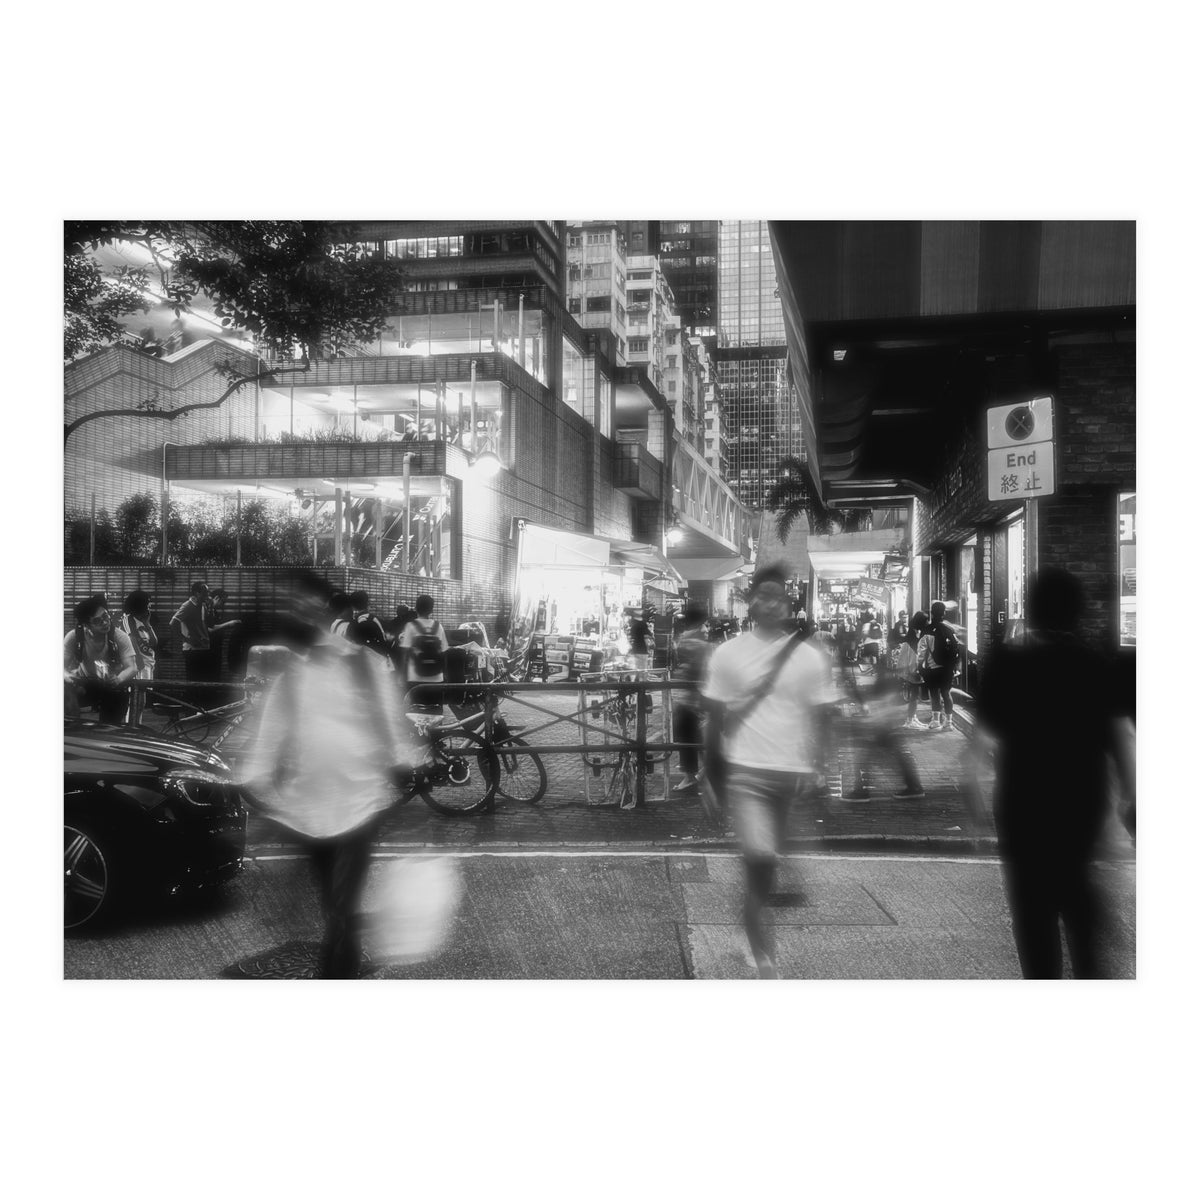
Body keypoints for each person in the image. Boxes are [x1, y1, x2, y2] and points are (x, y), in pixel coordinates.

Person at [240, 571, 416, 979]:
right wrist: (256, 780)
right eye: (288, 604)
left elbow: (388, 719)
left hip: (361, 801)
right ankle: (352, 942)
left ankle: (337, 970)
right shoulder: (292, 674)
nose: (294, 612)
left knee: (340, 908)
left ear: (322, 608)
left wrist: (404, 761)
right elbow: (273, 731)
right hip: (308, 808)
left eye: (303, 603)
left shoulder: (361, 663)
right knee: (332, 905)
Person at [975, 567, 1135, 979]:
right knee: (1074, 883)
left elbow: (981, 741)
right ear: (1078, 610)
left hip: (1021, 802)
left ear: (1030, 608)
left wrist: (971, 794)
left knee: (1031, 910)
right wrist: (1131, 798)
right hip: (1080, 800)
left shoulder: (1007, 662)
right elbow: (1122, 737)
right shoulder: (1096, 662)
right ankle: (1091, 971)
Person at [701, 564, 838, 979]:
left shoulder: (811, 658)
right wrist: (710, 775)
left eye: (778, 596)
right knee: (761, 860)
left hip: (791, 777)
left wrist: (822, 768)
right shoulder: (727, 654)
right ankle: (766, 964)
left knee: (768, 869)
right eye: (762, 595)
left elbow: (825, 716)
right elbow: (713, 717)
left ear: (788, 604)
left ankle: (756, 912)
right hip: (746, 775)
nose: (770, 602)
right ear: (750, 602)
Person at [64, 594, 138, 723]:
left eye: (106, 617)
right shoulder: (74, 636)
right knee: (65, 689)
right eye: (97, 621)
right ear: (86, 624)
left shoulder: (119, 636)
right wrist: (67, 676)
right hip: (84, 685)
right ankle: (73, 728)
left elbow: (132, 667)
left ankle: (110, 732)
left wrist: (119, 678)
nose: (105, 623)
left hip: (111, 685)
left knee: (116, 700)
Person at [670, 604, 712, 795]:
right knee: (695, 737)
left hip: (689, 698)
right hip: (696, 698)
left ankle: (694, 776)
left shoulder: (685, 640)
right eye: (705, 625)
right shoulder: (700, 644)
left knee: (689, 737)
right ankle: (699, 774)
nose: (707, 629)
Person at [399, 593, 450, 711]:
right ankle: (436, 729)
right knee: (435, 711)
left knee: (415, 712)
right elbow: (444, 653)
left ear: (416, 608)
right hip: (436, 678)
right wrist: (445, 675)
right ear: (431, 609)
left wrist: (401, 675)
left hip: (415, 679)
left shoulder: (410, 626)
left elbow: (404, 654)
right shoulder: (438, 626)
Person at [917, 600, 959, 732]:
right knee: (946, 693)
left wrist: (919, 666)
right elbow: (956, 649)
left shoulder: (926, 630)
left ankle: (936, 721)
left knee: (934, 693)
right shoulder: (949, 630)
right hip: (947, 668)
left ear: (932, 613)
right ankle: (949, 723)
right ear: (944, 613)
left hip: (932, 667)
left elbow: (921, 652)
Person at [117, 590, 158, 726]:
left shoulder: (142, 621)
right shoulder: (128, 620)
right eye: (147, 602)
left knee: (141, 701)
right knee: (135, 699)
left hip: (148, 664)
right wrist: (137, 666)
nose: (150, 605)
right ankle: (132, 727)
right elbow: (131, 641)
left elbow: (153, 642)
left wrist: (147, 623)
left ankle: (136, 725)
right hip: (138, 665)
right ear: (140, 604)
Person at [896, 610, 929, 729]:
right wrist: (917, 670)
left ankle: (912, 717)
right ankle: (910, 720)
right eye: (926, 620)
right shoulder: (915, 636)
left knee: (914, 694)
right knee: (914, 694)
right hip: (912, 668)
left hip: (910, 667)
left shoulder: (913, 632)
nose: (928, 622)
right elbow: (915, 654)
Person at [348, 590, 394, 663]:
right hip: (380, 658)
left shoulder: (356, 622)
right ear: (367, 603)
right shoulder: (373, 618)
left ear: (353, 606)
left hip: (368, 661)